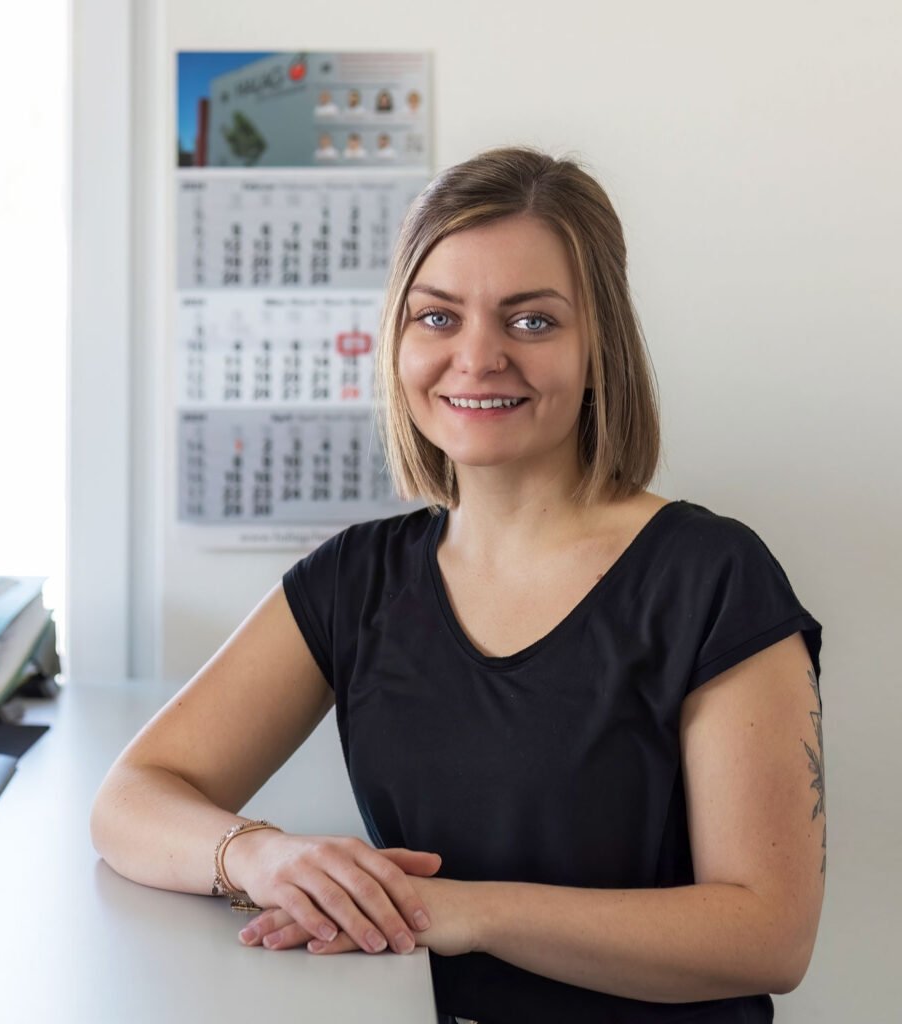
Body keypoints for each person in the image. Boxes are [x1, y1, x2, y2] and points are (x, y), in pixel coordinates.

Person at [91, 147, 825, 1023]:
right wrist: (259, 858)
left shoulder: (713, 577)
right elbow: (132, 799)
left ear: (601, 348)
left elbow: (768, 935)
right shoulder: (354, 580)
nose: (476, 358)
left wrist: (462, 910)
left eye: (532, 322)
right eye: (437, 318)